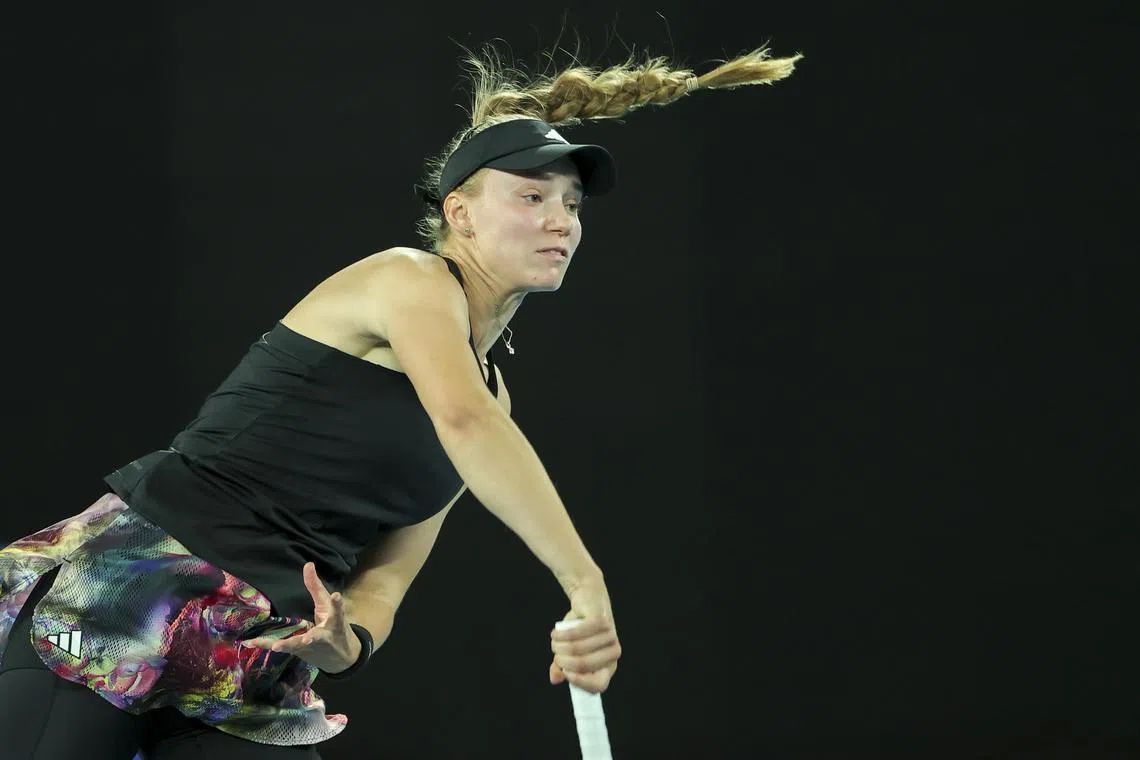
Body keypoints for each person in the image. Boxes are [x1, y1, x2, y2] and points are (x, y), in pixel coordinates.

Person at [0, 41, 800, 759]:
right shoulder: (407, 281)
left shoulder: (494, 398)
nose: (560, 220)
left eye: (572, 204)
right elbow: (463, 421)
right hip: (121, 599)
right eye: (532, 197)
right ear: (460, 214)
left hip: (252, 658)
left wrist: (343, 645)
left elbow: (386, 578)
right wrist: (585, 585)